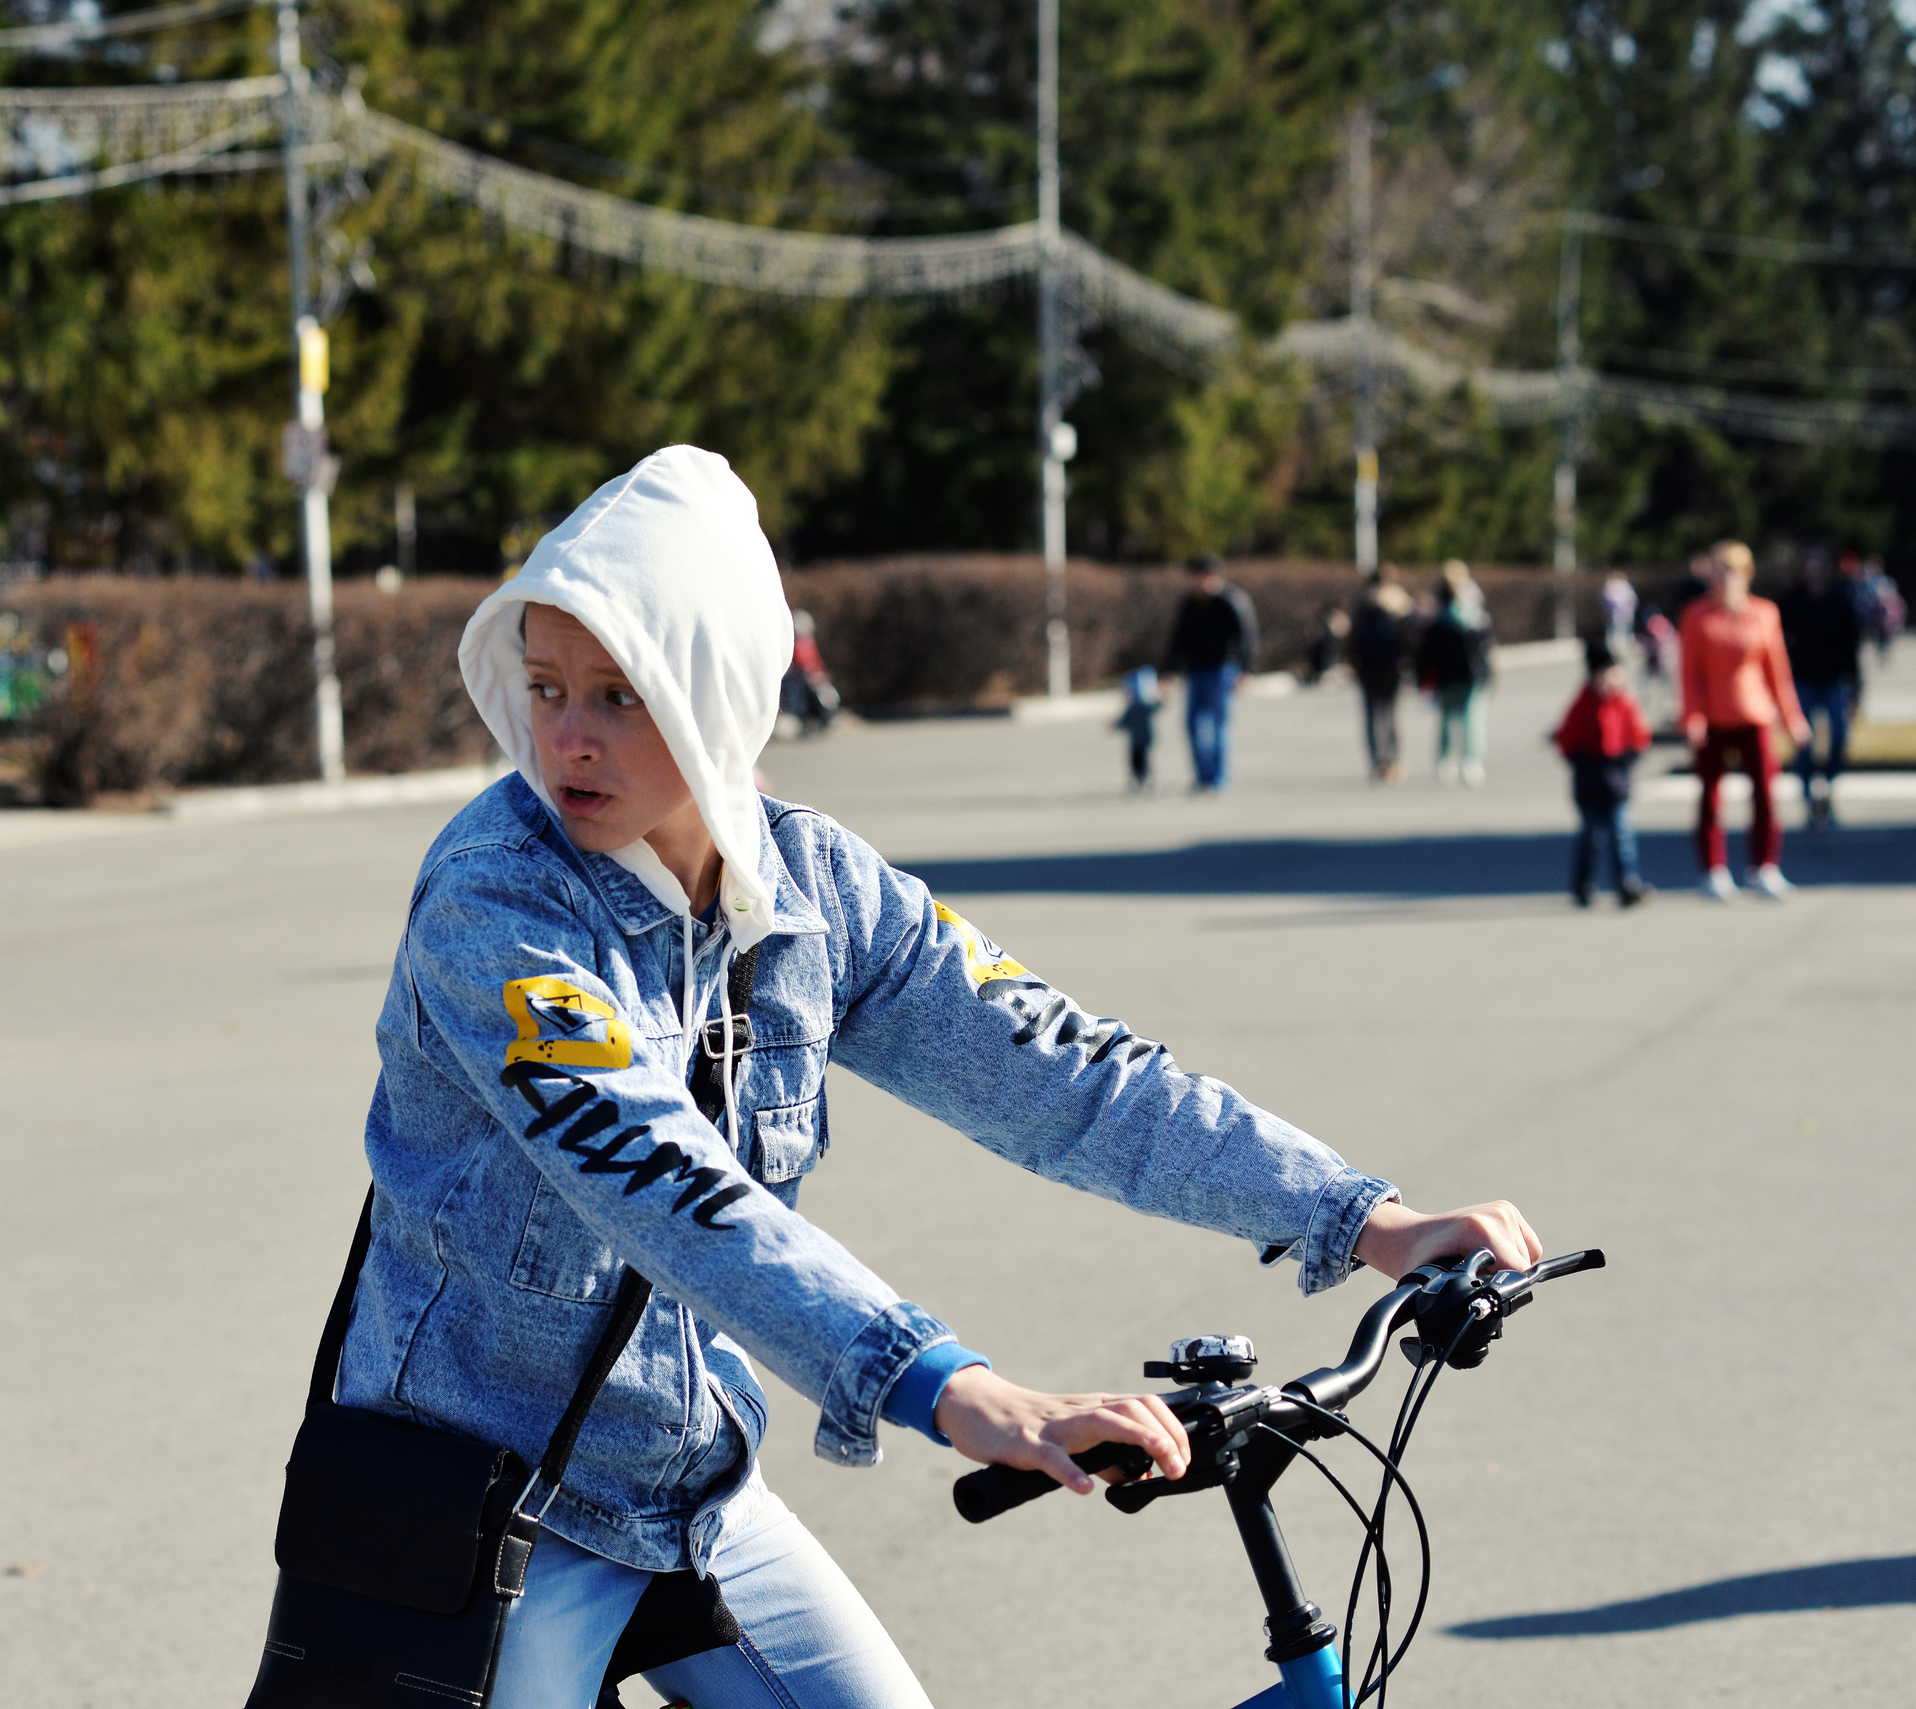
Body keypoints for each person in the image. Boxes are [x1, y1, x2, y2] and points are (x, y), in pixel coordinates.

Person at [339, 446, 1543, 1709]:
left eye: (619, 695)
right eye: (543, 686)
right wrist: (951, 1386)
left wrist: (1360, 1217)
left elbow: (1066, 1072)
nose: (565, 737)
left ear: (714, 695)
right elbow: (658, 1175)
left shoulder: (815, 887)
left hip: (689, 1491)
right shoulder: (496, 897)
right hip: (485, 1509)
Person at [1679, 540, 1809, 901]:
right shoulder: (1696, 615)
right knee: (1710, 797)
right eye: (1716, 572)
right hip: (1713, 717)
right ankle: (1712, 870)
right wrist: (1692, 716)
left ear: (1746, 575)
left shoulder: (1764, 614)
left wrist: (1792, 717)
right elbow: (1689, 673)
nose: (1722, 580)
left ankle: (1764, 867)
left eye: (1729, 571)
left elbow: (1777, 672)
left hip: (1755, 715)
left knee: (1766, 795)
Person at [1551, 636, 1653, 908]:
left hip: (1617, 779)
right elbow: (1565, 739)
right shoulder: (1583, 703)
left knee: (1622, 834)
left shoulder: (1624, 702)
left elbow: (1640, 734)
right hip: (1589, 780)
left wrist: (1629, 756)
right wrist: (1580, 759)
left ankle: (1627, 883)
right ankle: (1584, 883)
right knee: (1591, 836)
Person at [1161, 553, 1257, 792]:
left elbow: (1247, 637)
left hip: (1223, 670)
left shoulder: (1231, 600)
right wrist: (1168, 672)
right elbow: (1179, 640)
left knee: (1218, 725)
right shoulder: (1190, 604)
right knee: (1192, 725)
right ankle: (1202, 775)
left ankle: (1218, 777)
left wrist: (1246, 670)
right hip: (1195, 671)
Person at [1780, 553, 1863, 828]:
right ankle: (1809, 796)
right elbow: (1778, 646)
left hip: (1833, 679)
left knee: (1839, 737)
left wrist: (1857, 689)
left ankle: (1825, 786)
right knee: (1804, 741)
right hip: (1802, 679)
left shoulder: (1840, 600)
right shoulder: (1792, 600)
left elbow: (1851, 647)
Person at [1415, 560, 1494, 786]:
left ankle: (1469, 760)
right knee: (1452, 719)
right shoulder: (1441, 615)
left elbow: (1485, 646)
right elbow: (1429, 650)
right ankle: (1449, 759)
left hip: (1470, 675)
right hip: (1452, 674)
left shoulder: (1474, 612)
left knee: (1471, 720)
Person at [1347, 578, 1415, 783]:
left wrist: (1355, 668)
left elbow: (1351, 646)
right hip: (1391, 674)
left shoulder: (1360, 615)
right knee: (1391, 718)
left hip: (1367, 674)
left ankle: (1377, 763)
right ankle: (1394, 761)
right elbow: (1406, 645)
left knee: (1371, 719)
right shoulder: (1394, 616)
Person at [778, 608, 841, 736]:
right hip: (801, 680)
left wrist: (820, 674)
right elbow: (797, 665)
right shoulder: (793, 645)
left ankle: (824, 718)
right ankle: (805, 719)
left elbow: (817, 663)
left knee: (828, 695)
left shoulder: (809, 643)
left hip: (815, 680)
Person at [1113, 666, 1161, 791]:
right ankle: (1137, 779)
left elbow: (1157, 706)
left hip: (1145, 739)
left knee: (1144, 760)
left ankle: (1146, 779)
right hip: (1135, 741)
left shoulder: (1145, 707)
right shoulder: (1131, 709)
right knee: (1134, 760)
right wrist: (1116, 725)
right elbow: (1123, 721)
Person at [1601, 570, 1638, 648]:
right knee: (1623, 628)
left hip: (1616, 612)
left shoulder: (1611, 585)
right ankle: (1623, 643)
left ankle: (1618, 644)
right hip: (1626, 611)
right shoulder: (1626, 585)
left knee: (1617, 628)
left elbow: (1608, 598)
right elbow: (1633, 599)